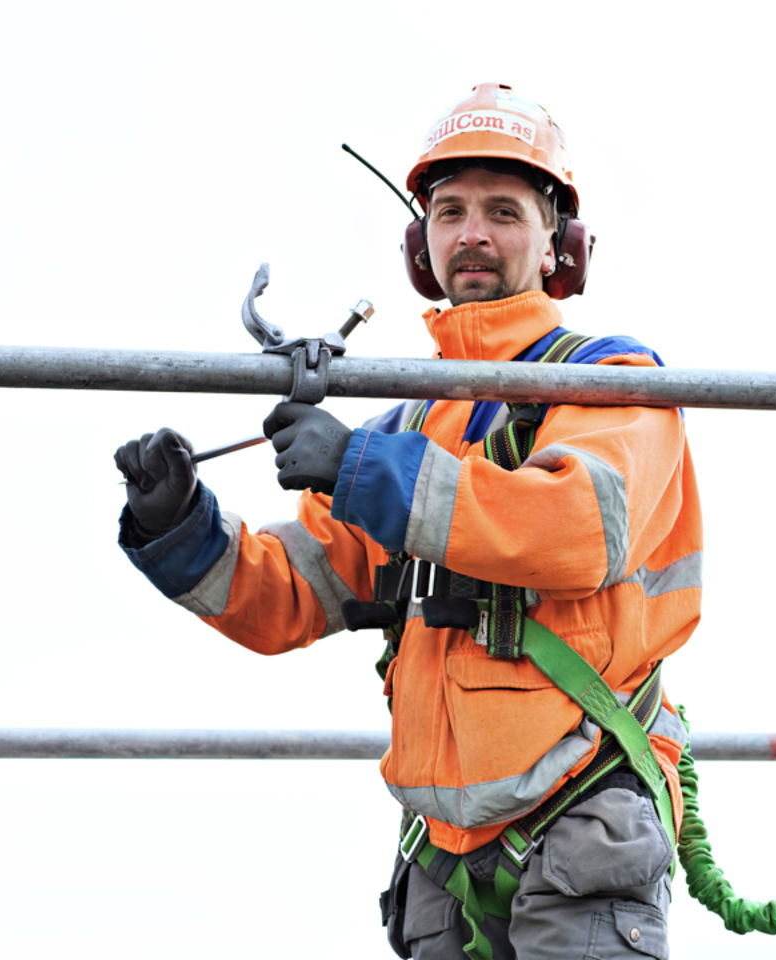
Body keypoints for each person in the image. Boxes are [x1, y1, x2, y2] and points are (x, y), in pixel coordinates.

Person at [114, 82, 701, 959]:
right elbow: (293, 593)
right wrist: (179, 526)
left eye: (504, 212)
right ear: (420, 245)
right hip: (443, 852)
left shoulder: (614, 377)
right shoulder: (411, 423)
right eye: (451, 211)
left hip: (582, 809)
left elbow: (573, 528)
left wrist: (357, 466)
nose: (473, 234)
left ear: (558, 247)